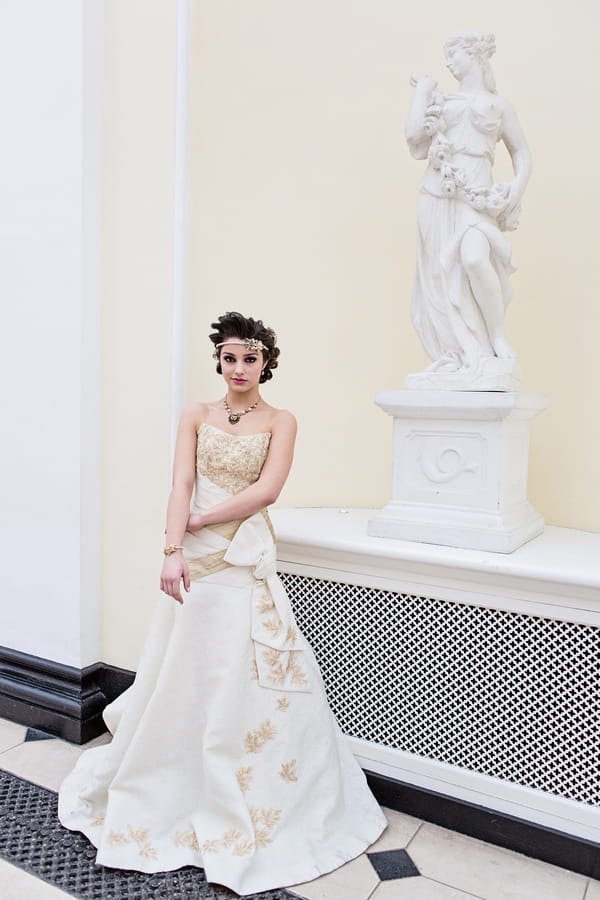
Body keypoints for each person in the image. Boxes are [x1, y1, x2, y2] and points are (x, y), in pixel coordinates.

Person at [58, 311, 386, 896]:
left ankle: (254, 789)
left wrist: (205, 519)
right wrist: (171, 548)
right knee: (183, 661)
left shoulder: (281, 420)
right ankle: (169, 777)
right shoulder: (197, 415)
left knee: (243, 667)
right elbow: (180, 484)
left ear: (267, 364)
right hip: (193, 556)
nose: (239, 368)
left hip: (238, 551)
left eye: (250, 359)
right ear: (219, 360)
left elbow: (268, 489)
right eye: (230, 357)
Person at [405, 32, 532, 383]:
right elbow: (413, 139)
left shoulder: (499, 106)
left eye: (454, 55)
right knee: (439, 275)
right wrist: (423, 91)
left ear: (474, 56)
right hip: (436, 194)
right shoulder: (441, 101)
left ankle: (495, 337)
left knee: (475, 259)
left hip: (475, 198)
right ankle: (459, 354)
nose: (448, 63)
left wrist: (515, 189)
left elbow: (521, 152)